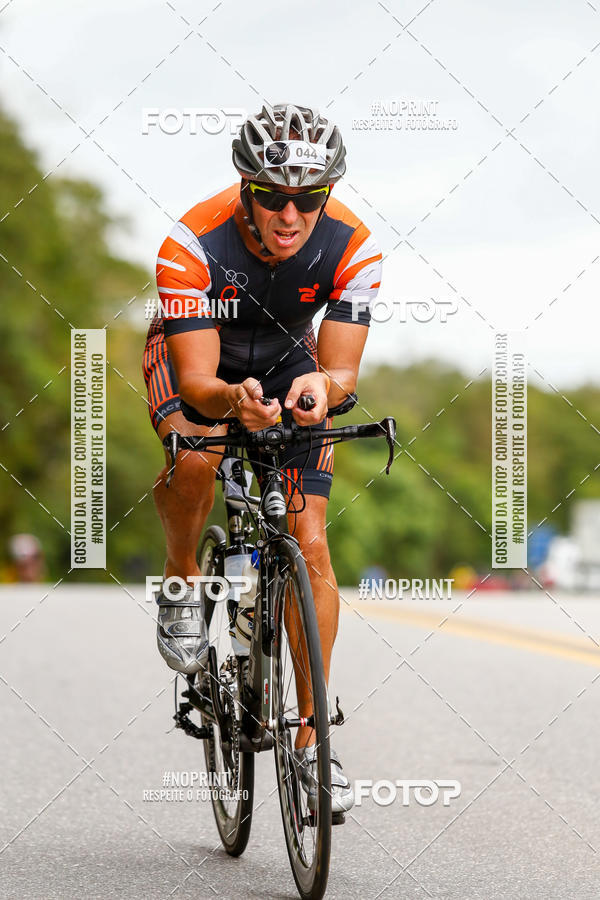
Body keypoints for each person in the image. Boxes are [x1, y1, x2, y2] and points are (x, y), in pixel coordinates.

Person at [143, 103, 382, 813]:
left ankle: (312, 746)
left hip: (288, 364)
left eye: (309, 198)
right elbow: (198, 386)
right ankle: (184, 579)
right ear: (245, 184)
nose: (290, 214)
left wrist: (322, 386)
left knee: (309, 544)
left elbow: (340, 373)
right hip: (201, 366)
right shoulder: (190, 246)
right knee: (194, 461)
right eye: (273, 194)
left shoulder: (354, 245)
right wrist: (233, 404)